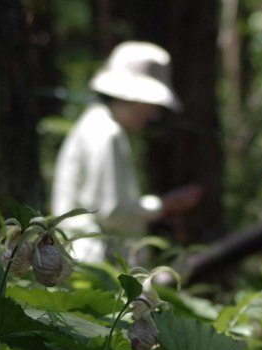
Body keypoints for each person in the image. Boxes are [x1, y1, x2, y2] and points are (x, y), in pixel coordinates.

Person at [51, 41, 203, 264]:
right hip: (94, 263)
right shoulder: (106, 133)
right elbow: (112, 213)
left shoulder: (98, 125)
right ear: (134, 97)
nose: (153, 114)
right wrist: (166, 204)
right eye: (151, 104)